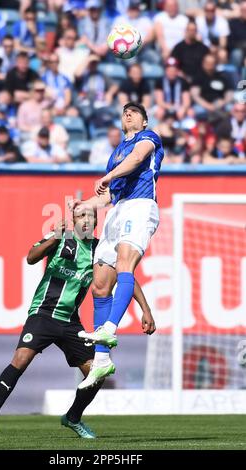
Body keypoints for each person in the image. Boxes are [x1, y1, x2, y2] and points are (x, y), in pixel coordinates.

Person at [0, 208, 155, 441]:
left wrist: (146, 309)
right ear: (74, 220)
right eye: (81, 216)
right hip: (43, 314)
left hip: (71, 322)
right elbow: (31, 258)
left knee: (96, 373)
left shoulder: (100, 250)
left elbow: (125, 277)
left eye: (91, 216)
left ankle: (73, 417)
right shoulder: (62, 239)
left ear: (96, 221)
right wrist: (55, 237)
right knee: (20, 360)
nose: (86, 220)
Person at [69, 101, 163, 389]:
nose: (128, 113)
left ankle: (109, 329)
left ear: (144, 122)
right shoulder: (115, 155)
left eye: (134, 111)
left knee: (124, 263)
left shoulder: (148, 139)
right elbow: (108, 197)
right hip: (119, 210)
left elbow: (135, 160)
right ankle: (100, 360)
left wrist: (109, 176)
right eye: (125, 111)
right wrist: (84, 204)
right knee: (99, 284)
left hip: (140, 206)